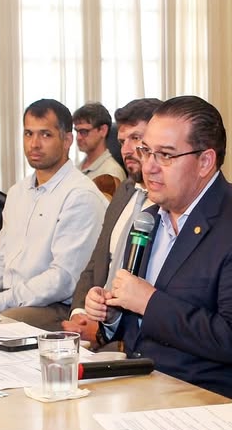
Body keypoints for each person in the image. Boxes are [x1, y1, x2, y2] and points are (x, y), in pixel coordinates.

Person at [83, 95, 232, 404]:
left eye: (165, 155)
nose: (149, 167)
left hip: (205, 396)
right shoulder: (147, 220)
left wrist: (149, 302)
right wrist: (112, 313)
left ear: (205, 162)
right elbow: (136, 325)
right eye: (146, 151)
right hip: (139, 384)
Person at [0, 99, 107, 330]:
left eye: (45, 135)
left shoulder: (80, 196)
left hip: (56, 307)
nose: (34, 144)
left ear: (67, 140)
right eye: (28, 134)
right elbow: (1, 259)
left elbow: (63, 279)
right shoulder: (18, 192)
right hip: (13, 300)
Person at [64, 98, 162, 345]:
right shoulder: (125, 192)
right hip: (95, 322)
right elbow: (95, 263)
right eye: (122, 141)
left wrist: (103, 330)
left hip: (131, 334)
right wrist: (80, 314)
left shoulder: (170, 205)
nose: (126, 150)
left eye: (136, 138)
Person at [73, 102, 126, 186]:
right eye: (77, 131)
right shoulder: (78, 167)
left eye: (84, 132)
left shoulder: (111, 173)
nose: (78, 137)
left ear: (103, 130)